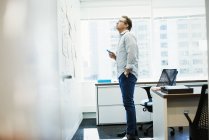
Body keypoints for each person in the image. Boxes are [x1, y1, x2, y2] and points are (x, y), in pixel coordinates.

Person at [108, 16, 139, 140]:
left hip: (127, 74)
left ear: (126, 25)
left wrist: (127, 69)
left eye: (119, 21)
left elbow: (132, 53)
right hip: (123, 73)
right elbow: (125, 56)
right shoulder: (122, 38)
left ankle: (131, 133)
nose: (117, 22)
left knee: (128, 103)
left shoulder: (128, 36)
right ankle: (130, 130)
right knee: (128, 103)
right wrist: (115, 57)